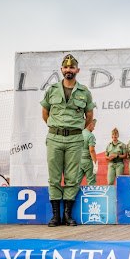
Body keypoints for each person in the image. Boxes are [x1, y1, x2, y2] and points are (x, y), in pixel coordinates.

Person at [41, 53, 95, 227]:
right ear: (61, 70)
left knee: (72, 177)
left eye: (72, 67)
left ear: (77, 70)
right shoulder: (52, 90)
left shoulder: (84, 92)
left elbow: (89, 116)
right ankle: (55, 216)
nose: (68, 70)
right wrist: (57, 127)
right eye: (66, 67)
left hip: (74, 139)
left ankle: (67, 215)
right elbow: (45, 113)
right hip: (54, 138)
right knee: (54, 177)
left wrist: (74, 128)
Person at [80, 118, 98, 185]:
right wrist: (95, 163)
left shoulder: (79, 134)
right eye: (94, 126)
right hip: (88, 161)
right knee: (91, 182)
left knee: (76, 182)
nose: (94, 128)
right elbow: (92, 150)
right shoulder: (90, 135)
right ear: (90, 124)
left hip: (79, 161)